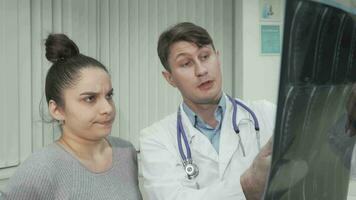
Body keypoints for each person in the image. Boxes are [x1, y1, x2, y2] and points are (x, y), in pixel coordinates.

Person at [139, 22, 276, 200]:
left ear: (217, 58)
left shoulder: (267, 114)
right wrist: (246, 185)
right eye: (186, 63)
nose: (201, 70)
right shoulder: (155, 139)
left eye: (205, 56)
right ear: (170, 78)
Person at [4, 34, 142, 200]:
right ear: (57, 110)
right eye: (90, 98)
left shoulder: (126, 152)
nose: (107, 108)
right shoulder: (40, 169)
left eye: (109, 95)